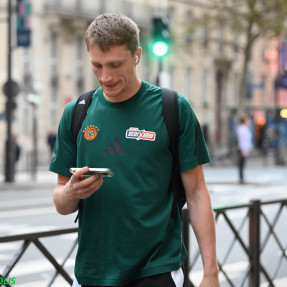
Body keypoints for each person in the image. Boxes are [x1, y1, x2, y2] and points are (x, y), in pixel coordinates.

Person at [49, 13, 219, 287]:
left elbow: (197, 193)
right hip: (93, 272)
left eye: (116, 65)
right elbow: (61, 203)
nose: (106, 76)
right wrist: (71, 192)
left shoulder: (173, 108)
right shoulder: (76, 114)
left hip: (157, 270)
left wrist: (210, 273)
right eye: (97, 65)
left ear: (137, 55)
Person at [236, 115, 252, 184]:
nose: (249, 122)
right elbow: (242, 141)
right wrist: (244, 150)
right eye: (248, 120)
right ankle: (241, 178)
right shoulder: (242, 129)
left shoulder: (245, 129)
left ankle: (242, 178)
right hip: (242, 149)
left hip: (244, 149)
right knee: (241, 164)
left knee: (243, 164)